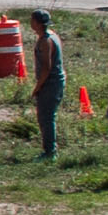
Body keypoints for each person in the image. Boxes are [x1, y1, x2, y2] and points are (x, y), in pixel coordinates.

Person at [29, 8, 66, 159]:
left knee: (46, 117)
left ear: (37, 23)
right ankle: (50, 149)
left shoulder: (45, 41)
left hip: (50, 84)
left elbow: (46, 68)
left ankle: (50, 152)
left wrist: (37, 87)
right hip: (54, 82)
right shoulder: (52, 35)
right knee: (46, 116)